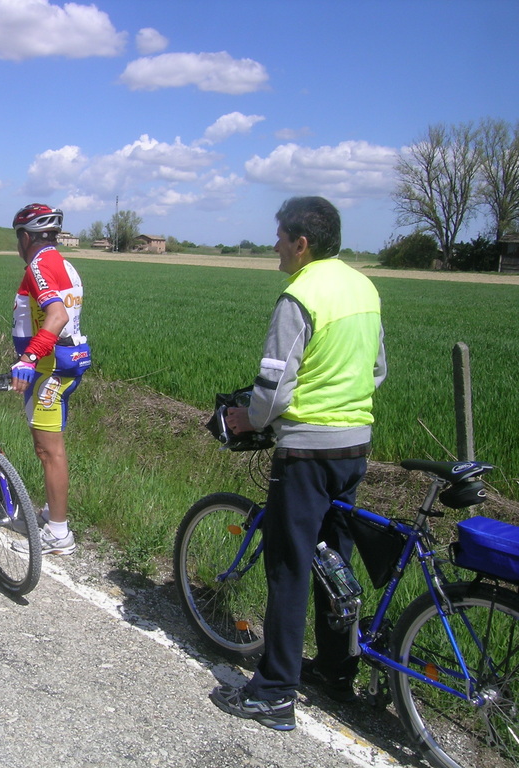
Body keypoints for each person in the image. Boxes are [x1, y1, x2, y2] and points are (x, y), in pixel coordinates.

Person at [209, 196, 387, 730]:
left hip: (306, 451)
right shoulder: (364, 287)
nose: (275, 246)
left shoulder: (299, 295)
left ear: (301, 243)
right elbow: (376, 369)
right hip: (354, 446)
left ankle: (273, 693)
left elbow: (272, 386)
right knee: (335, 562)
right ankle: (335, 672)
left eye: (280, 237)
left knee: (289, 567)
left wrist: (251, 420)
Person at [7, 204, 91, 556]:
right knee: (48, 448)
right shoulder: (60, 262)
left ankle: (59, 533)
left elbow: (56, 316)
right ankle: (51, 515)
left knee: (48, 450)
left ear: (25, 237)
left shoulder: (40, 264)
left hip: (49, 368)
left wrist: (28, 356)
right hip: (58, 363)